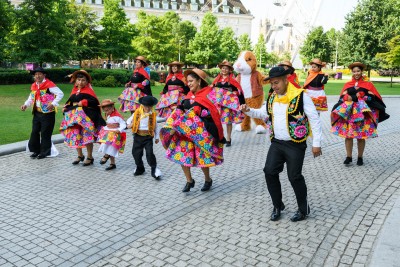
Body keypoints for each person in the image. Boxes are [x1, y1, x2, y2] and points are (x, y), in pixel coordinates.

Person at [240, 66, 322, 222]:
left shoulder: (301, 96)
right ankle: (278, 206)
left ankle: (303, 209)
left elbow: (314, 120)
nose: (274, 86)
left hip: (295, 144)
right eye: (271, 83)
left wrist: (316, 143)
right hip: (277, 143)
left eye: (276, 83)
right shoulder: (272, 97)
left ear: (286, 80)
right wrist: (248, 110)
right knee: (269, 171)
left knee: (294, 177)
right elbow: (262, 114)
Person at [160, 69, 225, 192]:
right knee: (182, 156)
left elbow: (214, 113)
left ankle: (207, 179)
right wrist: (171, 123)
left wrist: (201, 113)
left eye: (191, 81)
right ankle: (189, 181)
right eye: (187, 81)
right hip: (184, 133)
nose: (188, 84)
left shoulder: (208, 95)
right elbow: (179, 110)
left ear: (199, 81)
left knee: (202, 158)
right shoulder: (188, 96)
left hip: (200, 134)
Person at [331, 62, 390, 166]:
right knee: (348, 136)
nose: (356, 73)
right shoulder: (348, 85)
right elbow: (342, 97)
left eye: (358, 71)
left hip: (362, 114)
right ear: (352, 72)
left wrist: (364, 97)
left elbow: (373, 98)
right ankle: (348, 157)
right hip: (349, 114)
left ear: (362, 72)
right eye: (354, 71)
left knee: (361, 136)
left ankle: (360, 157)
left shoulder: (368, 85)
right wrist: (346, 98)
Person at [60, 70, 106, 166]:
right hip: (75, 119)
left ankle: (90, 156)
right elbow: (70, 102)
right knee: (76, 135)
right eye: (79, 80)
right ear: (75, 81)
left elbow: (94, 102)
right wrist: (65, 107)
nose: (80, 82)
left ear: (87, 82)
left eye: (83, 80)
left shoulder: (89, 91)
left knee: (87, 137)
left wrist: (84, 102)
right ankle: (80, 155)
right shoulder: (74, 91)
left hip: (86, 118)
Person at [20, 67, 64, 159]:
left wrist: (53, 103)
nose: (37, 76)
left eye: (39, 74)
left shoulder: (49, 85)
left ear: (44, 75)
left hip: (48, 113)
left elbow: (60, 94)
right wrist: (25, 105)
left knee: (45, 133)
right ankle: (36, 150)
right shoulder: (34, 86)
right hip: (37, 112)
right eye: (36, 74)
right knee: (35, 132)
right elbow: (31, 97)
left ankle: (44, 152)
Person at [126, 95, 162, 179]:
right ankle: (140, 168)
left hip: (148, 137)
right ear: (142, 105)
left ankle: (154, 169)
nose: (148, 108)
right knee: (136, 153)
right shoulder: (137, 112)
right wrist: (129, 124)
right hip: (138, 136)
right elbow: (129, 120)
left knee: (149, 153)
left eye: (150, 107)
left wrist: (157, 137)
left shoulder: (152, 115)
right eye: (146, 106)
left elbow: (156, 127)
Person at [211, 60, 245, 147]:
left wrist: (233, 95)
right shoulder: (217, 80)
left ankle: (228, 138)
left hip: (227, 105)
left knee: (228, 121)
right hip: (218, 105)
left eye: (226, 68)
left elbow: (238, 90)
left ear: (229, 70)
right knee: (216, 121)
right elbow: (211, 90)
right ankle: (219, 137)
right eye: (223, 68)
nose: (224, 70)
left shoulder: (232, 80)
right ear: (221, 69)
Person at [97, 99, 127, 171]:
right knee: (107, 146)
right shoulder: (107, 115)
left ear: (112, 107)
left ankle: (106, 156)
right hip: (109, 132)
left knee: (111, 147)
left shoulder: (117, 116)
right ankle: (112, 163)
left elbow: (123, 124)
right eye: (105, 110)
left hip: (115, 134)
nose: (106, 112)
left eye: (108, 110)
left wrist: (119, 130)